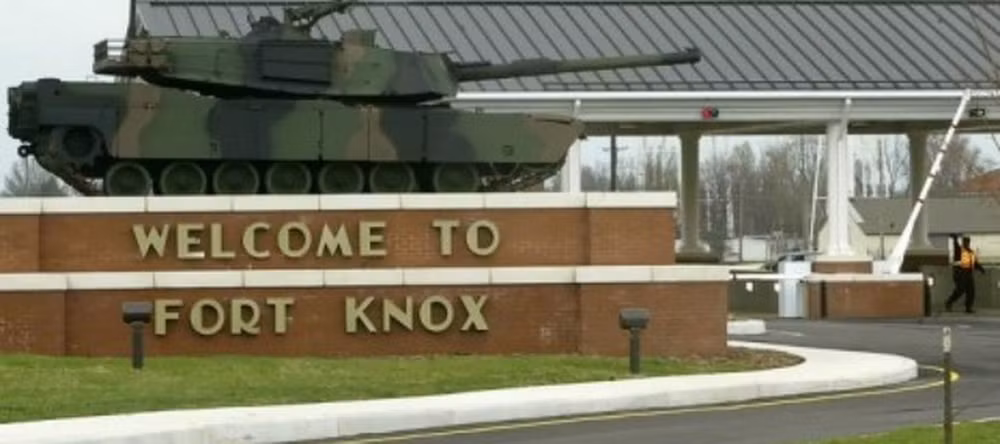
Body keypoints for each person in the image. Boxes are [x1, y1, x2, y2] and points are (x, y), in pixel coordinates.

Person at [945, 233, 986, 313]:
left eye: (967, 242)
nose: (966, 243)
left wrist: (981, 269)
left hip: (968, 274)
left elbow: (975, 263)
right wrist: (955, 239)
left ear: (969, 242)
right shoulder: (960, 250)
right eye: (965, 242)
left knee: (971, 291)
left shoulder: (971, 252)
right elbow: (956, 246)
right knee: (960, 290)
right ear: (963, 242)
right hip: (960, 273)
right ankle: (949, 302)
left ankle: (968, 307)